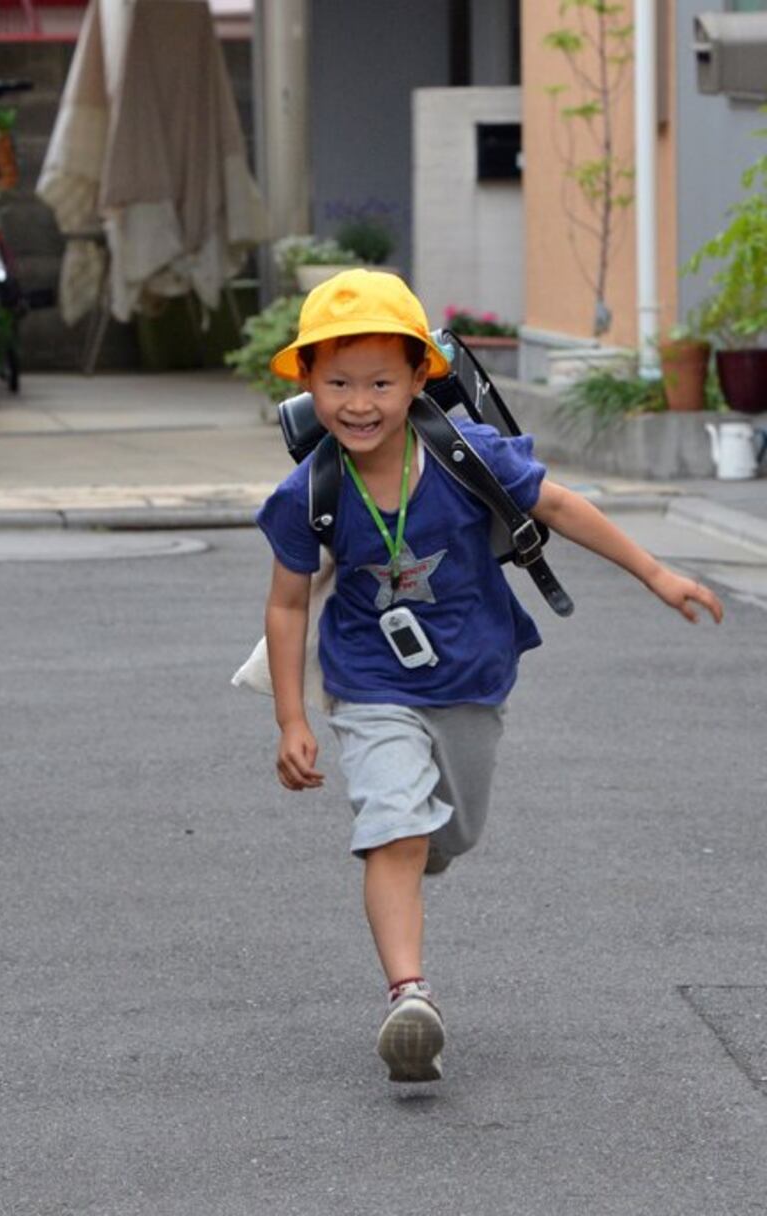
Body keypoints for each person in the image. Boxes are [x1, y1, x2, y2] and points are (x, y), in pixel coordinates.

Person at [255, 269, 723, 1084]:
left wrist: (657, 574)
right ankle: (411, 997)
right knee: (394, 829)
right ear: (307, 383)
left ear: (415, 381)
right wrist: (292, 720)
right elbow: (289, 606)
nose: (357, 402)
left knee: (453, 832)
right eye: (336, 382)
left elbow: (563, 507)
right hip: (371, 685)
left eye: (379, 382)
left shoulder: (465, 457)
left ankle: (413, 842)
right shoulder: (309, 492)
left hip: (473, 673)